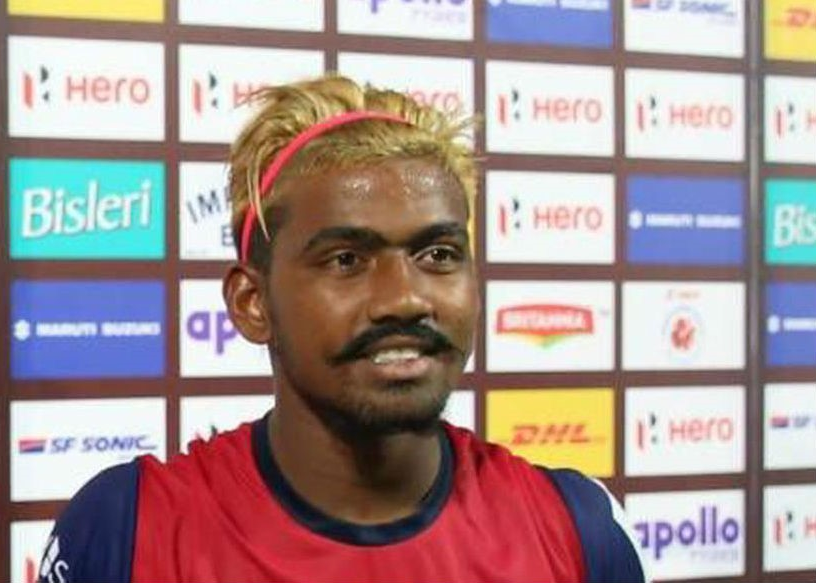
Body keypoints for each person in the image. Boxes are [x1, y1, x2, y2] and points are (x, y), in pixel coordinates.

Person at [38, 75, 647, 583]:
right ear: (252, 303)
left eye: (438, 254)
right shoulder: (126, 531)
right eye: (346, 260)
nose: (405, 298)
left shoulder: (576, 529)